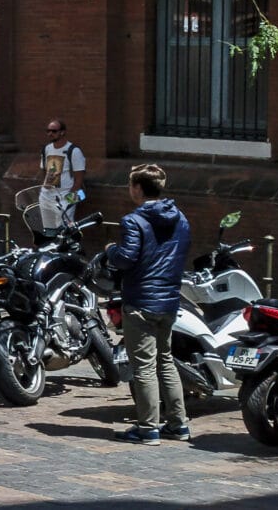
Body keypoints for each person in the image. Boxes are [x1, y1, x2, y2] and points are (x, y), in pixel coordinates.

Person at [103, 163, 192, 444]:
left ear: (138, 188)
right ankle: (178, 424)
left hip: (141, 300)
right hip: (168, 299)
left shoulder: (134, 220)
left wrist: (110, 252)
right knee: (165, 361)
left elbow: (126, 258)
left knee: (143, 366)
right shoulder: (180, 218)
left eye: (131, 185)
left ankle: (147, 427)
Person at [38, 120, 87, 230]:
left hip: (66, 196)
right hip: (46, 196)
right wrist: (44, 187)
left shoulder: (74, 151)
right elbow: (43, 170)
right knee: (47, 229)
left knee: (65, 229)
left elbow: (79, 179)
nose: (50, 134)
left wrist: (69, 202)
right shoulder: (46, 149)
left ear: (62, 132)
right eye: (48, 131)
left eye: (54, 131)